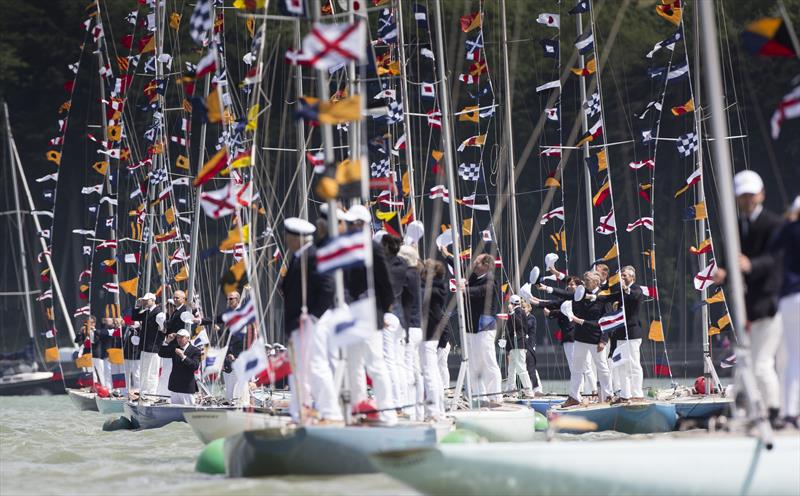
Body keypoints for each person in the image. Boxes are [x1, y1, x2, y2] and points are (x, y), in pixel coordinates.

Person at [722, 170, 784, 425]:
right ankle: (749, 411)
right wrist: (724, 274)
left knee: (761, 364)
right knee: (746, 364)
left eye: (751, 195)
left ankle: (775, 412)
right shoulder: (736, 226)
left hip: (770, 304)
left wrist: (751, 265)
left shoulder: (773, 224)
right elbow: (733, 264)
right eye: (742, 196)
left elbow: (775, 260)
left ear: (761, 195)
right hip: (747, 307)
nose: (747, 200)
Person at [279, 217, 340, 422]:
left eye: (289, 237)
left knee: (316, 366)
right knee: (298, 371)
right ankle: (299, 413)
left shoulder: (313, 256)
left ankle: (330, 412)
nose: (286, 241)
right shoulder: (298, 257)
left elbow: (328, 287)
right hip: (297, 323)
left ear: (298, 238)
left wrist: (313, 316)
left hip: (309, 322)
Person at [341, 205, 398, 424]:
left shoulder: (373, 248)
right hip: (351, 312)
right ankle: (359, 408)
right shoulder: (345, 249)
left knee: (375, 362)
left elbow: (385, 282)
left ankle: (387, 411)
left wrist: (384, 311)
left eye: (355, 223)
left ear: (363, 225)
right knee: (353, 364)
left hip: (369, 309)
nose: (351, 227)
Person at [533, 276, 596, 396]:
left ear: (579, 287)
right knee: (578, 367)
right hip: (573, 335)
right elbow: (553, 303)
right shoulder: (569, 299)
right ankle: (582, 392)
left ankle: (592, 392)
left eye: (573, 284)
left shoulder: (579, 299)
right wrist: (533, 300)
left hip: (576, 335)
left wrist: (551, 312)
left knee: (584, 366)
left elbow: (563, 312)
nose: (570, 286)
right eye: (569, 285)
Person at [561, 271, 613, 407]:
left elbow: (607, 320)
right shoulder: (582, 294)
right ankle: (574, 396)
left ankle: (608, 395)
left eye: (587, 280)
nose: (585, 282)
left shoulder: (603, 297)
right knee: (577, 368)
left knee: (602, 368)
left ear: (596, 282)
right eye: (584, 280)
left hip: (596, 339)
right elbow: (571, 300)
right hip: (580, 337)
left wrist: (604, 340)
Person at [770, 196, 800, 428]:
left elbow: (771, 251)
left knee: (791, 357)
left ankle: (790, 412)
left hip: (790, 296)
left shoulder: (788, 230)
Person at [460, 253, 502, 402]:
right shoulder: (472, 277)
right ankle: (479, 395)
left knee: (488, 360)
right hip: (471, 327)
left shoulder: (491, 281)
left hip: (485, 327)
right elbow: (459, 267)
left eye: (477, 263)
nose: (474, 264)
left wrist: (465, 290)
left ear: (486, 266)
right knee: (473, 362)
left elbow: (481, 291)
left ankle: (495, 396)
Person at [609, 266, 645, 402]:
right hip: (620, 333)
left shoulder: (636, 289)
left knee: (634, 364)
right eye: (621, 275)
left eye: (625, 275)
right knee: (621, 365)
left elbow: (633, 297)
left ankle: (637, 394)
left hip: (633, 333)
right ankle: (625, 394)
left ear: (632, 277)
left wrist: (624, 287)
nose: (622, 277)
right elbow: (610, 297)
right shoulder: (620, 291)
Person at [381, 234, 408, 410]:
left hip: (387, 315)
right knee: (398, 361)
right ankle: (401, 400)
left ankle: (395, 402)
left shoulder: (385, 266)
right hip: (400, 318)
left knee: (387, 360)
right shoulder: (403, 265)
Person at [398, 244, 423, 420]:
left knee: (406, 367)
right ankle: (418, 409)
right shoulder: (417, 276)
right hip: (417, 327)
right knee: (415, 369)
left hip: (410, 327)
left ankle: (408, 408)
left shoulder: (407, 276)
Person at [421, 259, 447, 419]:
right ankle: (439, 408)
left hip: (429, 334)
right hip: (431, 333)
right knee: (433, 371)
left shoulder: (433, 289)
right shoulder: (437, 287)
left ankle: (433, 411)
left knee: (429, 371)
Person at [132, 292, 166, 395]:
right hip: (145, 347)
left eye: (147, 300)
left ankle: (151, 393)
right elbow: (135, 317)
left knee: (152, 372)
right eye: (144, 300)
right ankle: (143, 391)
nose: (145, 302)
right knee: (144, 371)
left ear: (153, 300)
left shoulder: (159, 313)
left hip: (154, 347)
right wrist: (137, 306)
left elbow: (163, 330)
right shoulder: (146, 312)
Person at [158, 329, 201, 404]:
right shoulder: (175, 348)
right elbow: (161, 353)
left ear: (188, 338)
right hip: (175, 387)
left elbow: (195, 366)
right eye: (177, 337)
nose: (179, 339)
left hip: (187, 388)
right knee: (174, 411)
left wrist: (183, 356)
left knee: (189, 411)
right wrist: (167, 341)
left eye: (181, 337)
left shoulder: (195, 350)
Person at [504, 295, 534, 397]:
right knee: (511, 368)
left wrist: (512, 312)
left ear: (511, 303)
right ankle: (511, 390)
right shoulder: (516, 312)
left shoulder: (519, 311)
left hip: (519, 344)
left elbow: (519, 324)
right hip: (513, 345)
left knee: (521, 368)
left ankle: (528, 391)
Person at [123, 320, 142, 392]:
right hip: (126, 355)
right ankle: (126, 391)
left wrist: (135, 331)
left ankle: (137, 391)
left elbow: (136, 342)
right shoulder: (125, 329)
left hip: (135, 356)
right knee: (126, 374)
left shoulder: (137, 329)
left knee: (136, 374)